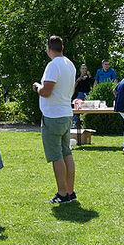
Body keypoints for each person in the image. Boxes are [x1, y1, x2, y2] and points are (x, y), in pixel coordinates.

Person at [34, 36, 77, 204]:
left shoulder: (53, 65)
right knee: (67, 152)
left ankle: (62, 193)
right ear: (62, 47)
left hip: (53, 115)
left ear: (48, 49)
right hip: (66, 112)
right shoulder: (70, 64)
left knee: (56, 155)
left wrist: (37, 87)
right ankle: (70, 191)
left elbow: (46, 91)